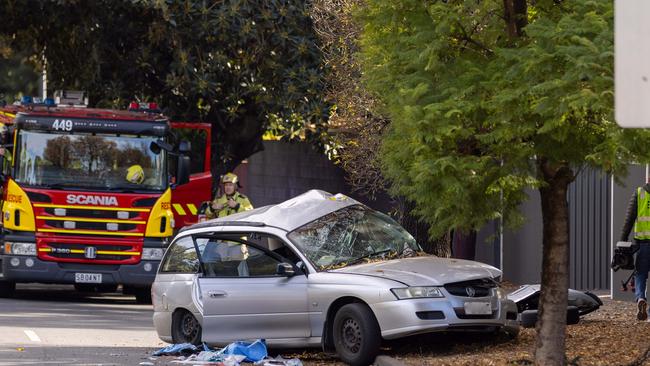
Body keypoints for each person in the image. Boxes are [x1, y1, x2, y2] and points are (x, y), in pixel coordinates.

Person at [620, 179, 650, 321]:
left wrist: (622, 241)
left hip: (643, 244)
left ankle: (640, 298)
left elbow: (629, 220)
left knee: (640, 274)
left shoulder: (639, 193)